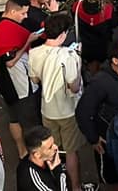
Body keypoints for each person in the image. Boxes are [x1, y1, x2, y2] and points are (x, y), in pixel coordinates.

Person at [27, 12, 86, 190]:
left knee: (52, 149)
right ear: (62, 35)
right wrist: (78, 60)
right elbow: (74, 87)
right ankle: (75, 187)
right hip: (67, 111)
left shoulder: (35, 52)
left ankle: (55, 183)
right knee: (71, 151)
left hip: (46, 110)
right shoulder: (68, 55)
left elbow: (35, 80)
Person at [0, 0, 41, 158]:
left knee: (13, 118)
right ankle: (35, 153)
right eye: (23, 13)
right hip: (17, 83)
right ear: (12, 11)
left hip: (2, 80)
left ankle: (21, 151)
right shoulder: (7, 32)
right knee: (29, 119)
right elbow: (11, 62)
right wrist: (28, 41)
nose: (25, 17)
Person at [75, 39, 118, 190]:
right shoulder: (100, 82)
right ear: (115, 61)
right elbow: (82, 112)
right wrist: (94, 138)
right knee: (111, 179)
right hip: (108, 141)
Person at [16, 125, 67, 191]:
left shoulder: (46, 159)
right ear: (37, 154)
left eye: (53, 143)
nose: (55, 147)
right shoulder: (32, 178)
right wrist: (57, 170)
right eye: (50, 147)